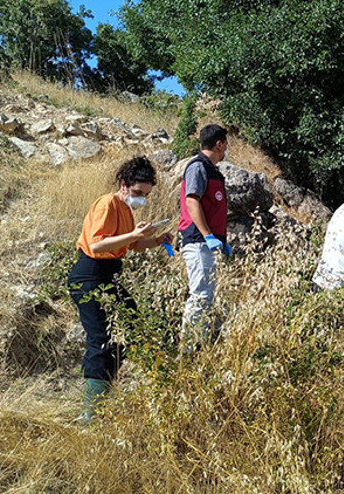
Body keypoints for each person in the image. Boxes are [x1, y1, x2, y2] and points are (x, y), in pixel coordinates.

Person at [67, 156, 173, 424]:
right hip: (90, 276)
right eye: (138, 193)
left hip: (108, 277)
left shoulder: (126, 210)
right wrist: (134, 236)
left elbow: (132, 246)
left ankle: (105, 398)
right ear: (124, 184)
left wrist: (156, 240)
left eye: (146, 195)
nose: (141, 199)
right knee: (102, 340)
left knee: (132, 327)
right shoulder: (107, 203)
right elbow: (97, 245)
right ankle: (90, 415)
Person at [178, 124, 231, 353]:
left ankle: (197, 346)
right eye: (225, 144)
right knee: (200, 295)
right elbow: (192, 201)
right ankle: (187, 352)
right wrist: (209, 235)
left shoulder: (212, 171)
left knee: (206, 295)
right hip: (198, 241)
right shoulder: (198, 167)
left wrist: (220, 238)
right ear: (219, 144)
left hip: (207, 242)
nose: (226, 148)